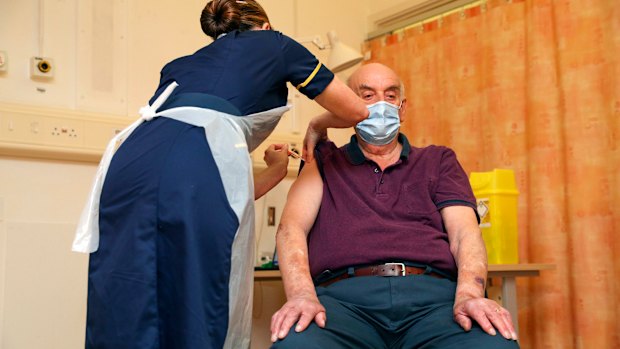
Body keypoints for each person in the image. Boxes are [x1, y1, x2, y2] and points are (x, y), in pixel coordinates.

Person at [71, 1, 369, 348]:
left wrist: (275, 171)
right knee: (200, 294)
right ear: (266, 25)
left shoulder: (180, 66)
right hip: (196, 161)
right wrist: (317, 123)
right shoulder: (276, 44)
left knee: (130, 291)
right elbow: (356, 110)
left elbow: (207, 194)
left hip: (128, 165)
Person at [270, 63, 520, 349]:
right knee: (295, 345)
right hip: (344, 304)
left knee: (494, 345)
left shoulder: (438, 161)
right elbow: (291, 228)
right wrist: (302, 295)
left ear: (402, 108)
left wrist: (469, 295)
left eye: (390, 96)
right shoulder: (324, 161)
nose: (381, 105)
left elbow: (465, 233)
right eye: (366, 96)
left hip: (434, 302)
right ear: (347, 107)